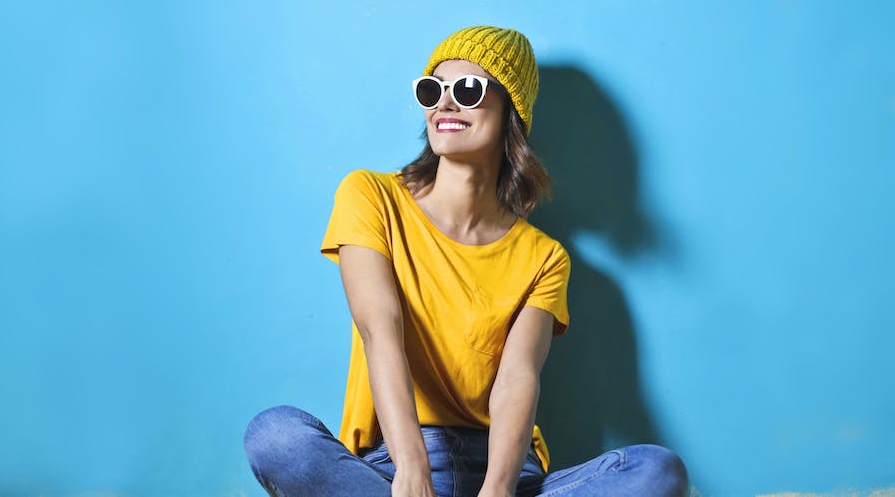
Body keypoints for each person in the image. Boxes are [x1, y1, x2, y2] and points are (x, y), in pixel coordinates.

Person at [242, 26, 691, 497]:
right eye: (431, 90)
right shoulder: (370, 196)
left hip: (502, 471)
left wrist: (496, 489)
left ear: (510, 109)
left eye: (468, 90)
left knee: (656, 470)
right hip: (391, 466)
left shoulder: (543, 257)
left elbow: (518, 379)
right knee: (275, 437)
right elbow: (380, 329)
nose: (444, 104)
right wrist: (412, 469)